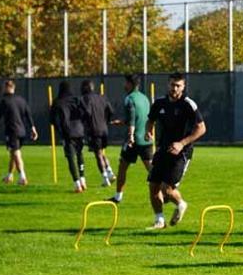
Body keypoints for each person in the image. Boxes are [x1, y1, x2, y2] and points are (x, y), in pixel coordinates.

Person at [145, 72, 206, 229]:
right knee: (153, 185)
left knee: (167, 189)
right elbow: (150, 120)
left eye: (178, 85)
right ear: (168, 84)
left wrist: (182, 143)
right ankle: (159, 221)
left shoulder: (188, 104)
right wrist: (148, 131)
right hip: (162, 150)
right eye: (172, 85)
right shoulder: (159, 103)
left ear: (183, 87)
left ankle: (181, 204)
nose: (175, 88)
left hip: (181, 153)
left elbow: (201, 128)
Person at [107, 74, 153, 204]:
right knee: (152, 170)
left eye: (125, 83)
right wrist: (122, 121)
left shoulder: (129, 98)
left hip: (133, 140)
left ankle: (118, 197)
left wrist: (131, 135)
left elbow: (132, 118)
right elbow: (142, 117)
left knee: (122, 167)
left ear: (130, 84)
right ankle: (165, 191)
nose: (124, 85)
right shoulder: (144, 98)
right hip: (146, 139)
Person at [0, 80, 38, 185]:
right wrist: (33, 128)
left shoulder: (5, 101)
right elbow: (28, 114)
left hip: (12, 131)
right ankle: (9, 175)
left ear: (7, 87)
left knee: (16, 153)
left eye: (4, 87)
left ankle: (22, 177)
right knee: (13, 153)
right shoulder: (21, 100)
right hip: (22, 131)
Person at [50, 81, 87, 193]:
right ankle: (83, 179)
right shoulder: (77, 99)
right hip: (79, 131)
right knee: (80, 154)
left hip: (67, 133)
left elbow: (52, 119)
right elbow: (85, 112)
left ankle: (77, 184)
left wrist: (59, 130)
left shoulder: (57, 101)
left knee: (71, 158)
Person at [80, 80, 115, 187]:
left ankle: (105, 179)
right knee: (100, 152)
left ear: (85, 88)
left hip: (94, 130)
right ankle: (110, 172)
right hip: (104, 129)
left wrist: (84, 121)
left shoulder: (86, 99)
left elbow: (87, 112)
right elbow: (111, 111)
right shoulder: (102, 97)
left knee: (98, 154)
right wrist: (106, 121)